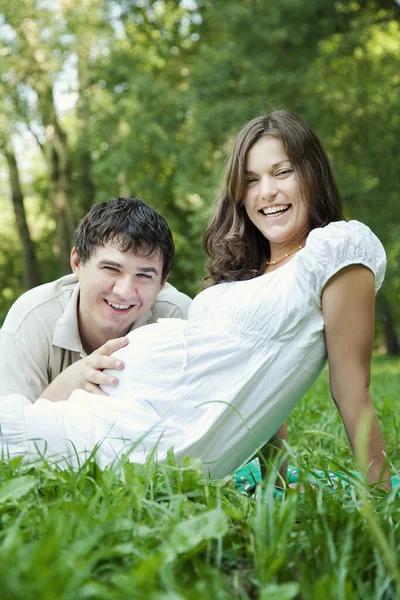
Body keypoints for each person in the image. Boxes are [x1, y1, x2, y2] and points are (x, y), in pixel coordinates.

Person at [0, 112, 390, 489]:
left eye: (282, 172)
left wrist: (380, 493)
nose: (266, 191)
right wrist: (280, 479)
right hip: (112, 416)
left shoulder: (335, 249)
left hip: (152, 439)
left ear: (312, 174)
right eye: (251, 180)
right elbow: (249, 381)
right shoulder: (252, 270)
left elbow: (350, 387)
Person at [0, 197, 191, 403]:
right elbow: (9, 430)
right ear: (77, 263)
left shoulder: (179, 320)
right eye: (111, 269)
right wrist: (67, 384)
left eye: (144, 276)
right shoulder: (32, 319)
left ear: (162, 282)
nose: (124, 291)